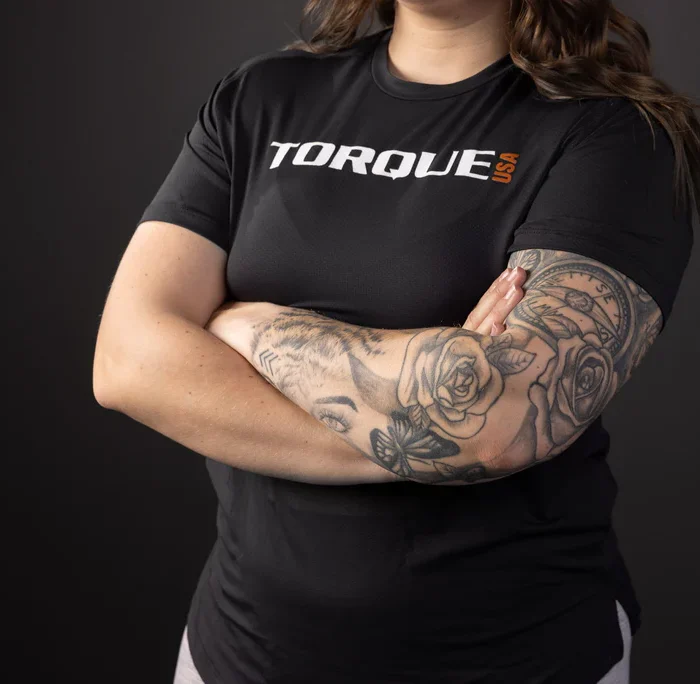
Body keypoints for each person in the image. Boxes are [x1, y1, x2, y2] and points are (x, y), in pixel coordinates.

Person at [93, 0, 699, 682]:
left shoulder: (617, 133)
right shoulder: (262, 96)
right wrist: (432, 431)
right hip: (238, 652)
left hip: (514, 658)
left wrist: (244, 325)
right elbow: (126, 361)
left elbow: (504, 417)